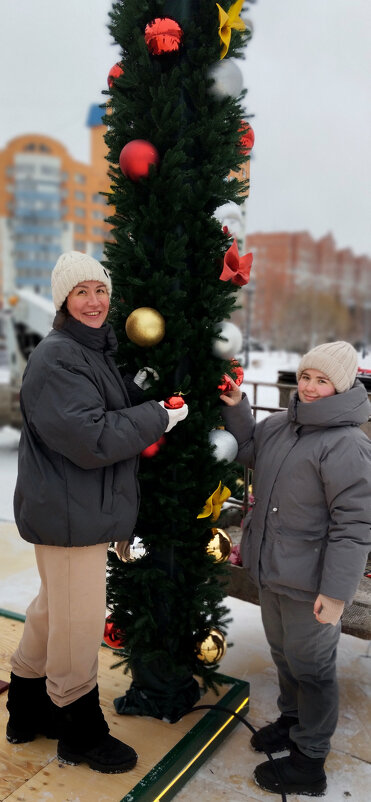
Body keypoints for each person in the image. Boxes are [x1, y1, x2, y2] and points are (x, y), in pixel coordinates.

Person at [6, 251, 188, 774]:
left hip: (71, 509)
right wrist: (159, 417)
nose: (94, 301)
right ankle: (79, 729)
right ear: (64, 300)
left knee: (51, 610)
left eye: (100, 290)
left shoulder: (90, 351)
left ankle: (27, 707)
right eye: (81, 292)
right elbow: (91, 436)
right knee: (77, 621)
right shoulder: (60, 355)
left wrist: (151, 395)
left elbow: (108, 404)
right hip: (68, 514)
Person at [220, 341, 371, 796]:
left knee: (314, 667)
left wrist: (337, 592)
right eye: (306, 376)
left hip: (313, 585)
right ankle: (292, 720)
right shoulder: (281, 427)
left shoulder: (347, 445)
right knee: (284, 653)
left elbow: (354, 525)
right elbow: (248, 449)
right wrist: (236, 406)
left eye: (322, 380)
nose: (309, 387)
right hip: (272, 570)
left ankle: (310, 760)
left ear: (341, 386)